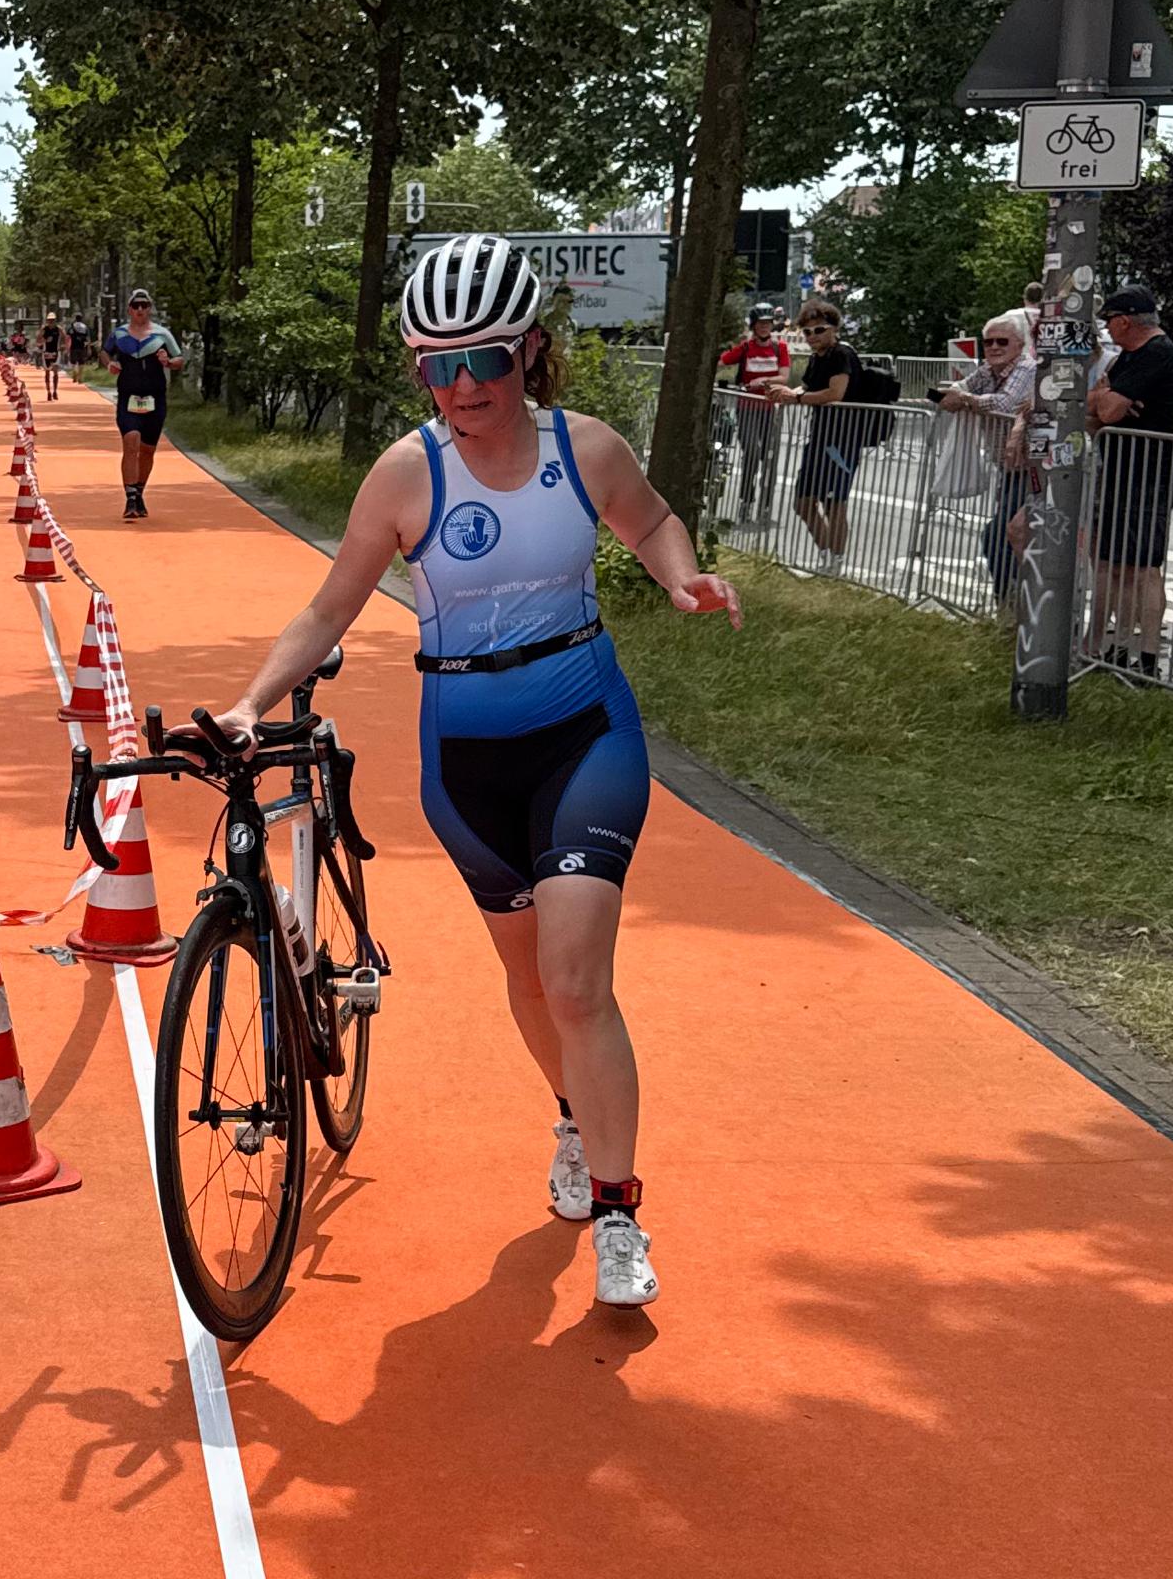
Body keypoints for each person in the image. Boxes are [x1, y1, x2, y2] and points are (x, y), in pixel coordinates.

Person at [186, 234, 743, 1308]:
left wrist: (681, 578)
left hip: (584, 732)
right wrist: (250, 702)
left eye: (484, 359)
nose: (462, 386)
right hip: (464, 758)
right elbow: (330, 607)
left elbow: (651, 520)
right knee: (529, 981)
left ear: (529, 350)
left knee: (576, 980)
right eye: (436, 366)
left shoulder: (585, 449)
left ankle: (619, 1211)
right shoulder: (408, 474)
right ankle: (574, 1121)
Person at [1082, 285, 1173, 678]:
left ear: (1125, 320)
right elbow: (1096, 404)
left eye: (1109, 321)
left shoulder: (1157, 352)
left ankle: (1148, 658)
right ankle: (1119, 648)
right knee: (1116, 563)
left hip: (1148, 472)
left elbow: (1106, 411)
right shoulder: (1127, 356)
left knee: (1143, 566)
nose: (1107, 329)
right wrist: (1108, 399)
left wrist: (1108, 400)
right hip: (1121, 468)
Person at [937, 313, 1036, 606]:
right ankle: (1011, 600)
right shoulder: (986, 372)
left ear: (1019, 344)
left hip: (1033, 469)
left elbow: (1006, 403)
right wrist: (948, 395)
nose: (993, 347)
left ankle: (1016, 601)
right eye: (988, 342)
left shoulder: (1026, 369)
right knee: (1003, 536)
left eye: (1001, 341)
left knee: (998, 535)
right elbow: (949, 392)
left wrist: (966, 400)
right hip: (1007, 467)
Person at [765, 299, 866, 576]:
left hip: (843, 439)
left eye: (819, 330)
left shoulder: (841, 354)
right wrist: (786, 393)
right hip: (820, 436)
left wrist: (796, 398)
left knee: (834, 502)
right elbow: (807, 387)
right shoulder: (817, 357)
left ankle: (835, 562)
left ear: (834, 329)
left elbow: (835, 393)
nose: (812, 336)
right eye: (807, 332)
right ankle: (826, 556)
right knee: (803, 502)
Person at [102, 290, 185, 520]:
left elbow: (179, 359)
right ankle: (130, 498)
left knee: (147, 450)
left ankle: (139, 493)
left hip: (155, 398)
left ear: (149, 308)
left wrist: (168, 362)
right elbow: (104, 352)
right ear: (129, 309)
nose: (140, 309)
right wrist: (110, 364)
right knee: (131, 441)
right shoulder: (119, 334)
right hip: (128, 397)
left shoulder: (162, 334)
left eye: (144, 305)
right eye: (136, 305)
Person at [718, 303, 791, 525]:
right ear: (753, 326)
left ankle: (765, 506)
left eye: (768, 323)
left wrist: (764, 381)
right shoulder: (745, 348)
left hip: (770, 410)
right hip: (747, 408)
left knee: (769, 457)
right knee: (751, 451)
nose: (764, 327)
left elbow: (784, 376)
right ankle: (746, 501)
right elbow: (722, 361)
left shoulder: (780, 348)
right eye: (760, 324)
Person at [38, 310, 64, 401]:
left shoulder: (59, 329)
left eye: (53, 320)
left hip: (56, 352)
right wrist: (45, 341)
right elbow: (38, 340)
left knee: (55, 372)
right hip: (46, 352)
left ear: (55, 320)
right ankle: (48, 392)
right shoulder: (44, 329)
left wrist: (64, 346)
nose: (51, 321)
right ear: (47, 320)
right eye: (49, 320)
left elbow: (65, 337)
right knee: (47, 372)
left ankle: (55, 391)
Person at [68, 314, 90, 385]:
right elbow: (87, 338)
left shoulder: (72, 327)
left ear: (75, 318)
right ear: (81, 319)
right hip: (82, 347)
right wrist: (88, 347)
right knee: (81, 362)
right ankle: (80, 377)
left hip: (73, 347)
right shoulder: (85, 327)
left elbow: (68, 337)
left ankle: (75, 372)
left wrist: (67, 346)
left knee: (73, 362)